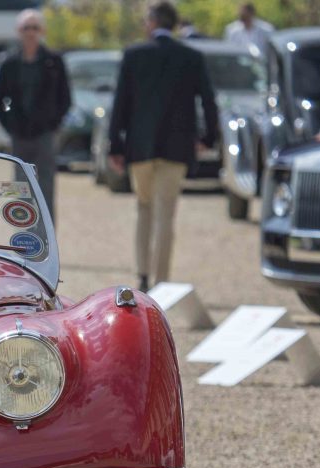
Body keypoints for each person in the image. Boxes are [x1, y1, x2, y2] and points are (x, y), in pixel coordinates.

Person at [109, 1, 219, 293]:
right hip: (177, 147)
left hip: (140, 148)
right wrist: (209, 138)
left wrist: (114, 145)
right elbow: (208, 100)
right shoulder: (191, 56)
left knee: (144, 209)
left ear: (154, 22)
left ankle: (143, 273)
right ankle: (161, 281)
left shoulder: (133, 55)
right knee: (165, 214)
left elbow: (120, 102)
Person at [0, 9, 70, 222]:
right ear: (19, 31)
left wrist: (54, 123)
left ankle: (47, 241)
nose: (31, 33)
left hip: (45, 134)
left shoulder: (54, 61)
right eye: (26, 28)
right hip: (19, 135)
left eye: (35, 28)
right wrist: (9, 124)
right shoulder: (9, 63)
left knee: (46, 187)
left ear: (42, 31)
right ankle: (23, 240)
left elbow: (65, 98)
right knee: (19, 188)